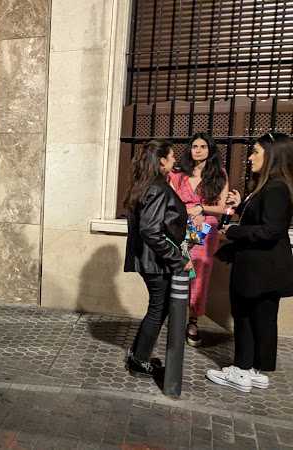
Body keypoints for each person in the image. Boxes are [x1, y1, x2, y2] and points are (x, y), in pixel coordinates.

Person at [206, 132, 293, 393]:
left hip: (259, 269)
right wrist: (241, 204)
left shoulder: (276, 188)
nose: (250, 158)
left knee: (245, 317)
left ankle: (241, 370)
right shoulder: (270, 186)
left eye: (255, 152)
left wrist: (231, 232)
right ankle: (256, 370)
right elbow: (261, 218)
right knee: (262, 319)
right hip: (263, 269)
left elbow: (269, 230)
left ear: (272, 155)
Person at [123, 140, 193, 378]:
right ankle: (139, 360)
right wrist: (178, 259)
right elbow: (150, 230)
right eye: (172, 156)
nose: (175, 160)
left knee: (157, 309)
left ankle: (138, 355)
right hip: (156, 262)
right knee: (157, 309)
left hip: (153, 260)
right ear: (161, 160)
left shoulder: (148, 185)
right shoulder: (157, 188)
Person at [168, 133, 229, 346]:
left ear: (210, 149)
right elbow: (171, 202)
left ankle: (193, 321)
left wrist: (202, 207)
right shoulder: (179, 174)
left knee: (199, 274)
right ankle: (174, 316)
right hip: (181, 227)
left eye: (203, 146)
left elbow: (223, 208)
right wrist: (186, 212)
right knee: (178, 268)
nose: (198, 150)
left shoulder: (219, 174)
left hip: (206, 229)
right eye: (194, 146)